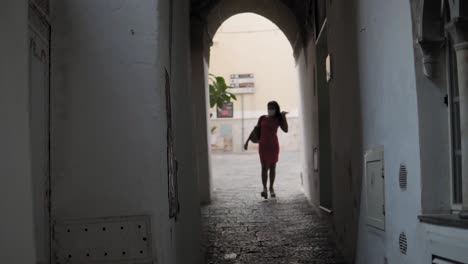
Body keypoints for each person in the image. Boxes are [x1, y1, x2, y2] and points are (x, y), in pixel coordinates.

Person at [244, 101, 288, 199]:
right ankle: (264, 189)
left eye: (272, 108)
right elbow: (255, 130)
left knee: (272, 167)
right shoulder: (262, 118)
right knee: (264, 167)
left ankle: (271, 188)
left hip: (273, 146)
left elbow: (285, 130)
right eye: (269, 107)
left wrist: (284, 117)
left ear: (276, 109)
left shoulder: (278, 119)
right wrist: (247, 141)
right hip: (263, 146)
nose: (270, 109)